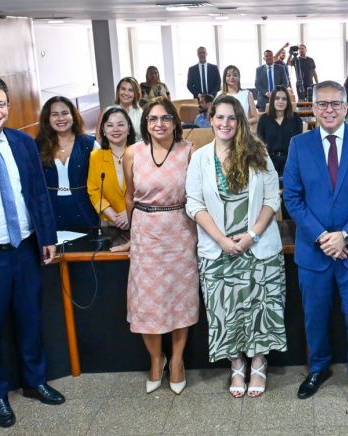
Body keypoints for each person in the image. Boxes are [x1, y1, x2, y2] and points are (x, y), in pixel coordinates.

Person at [283, 81, 348, 413]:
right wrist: (323, 237)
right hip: (314, 252)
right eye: (322, 104)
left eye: (335, 104)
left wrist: (346, 235)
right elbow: (292, 198)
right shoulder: (299, 144)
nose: (329, 110)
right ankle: (317, 368)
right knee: (314, 317)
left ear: (346, 108)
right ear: (313, 108)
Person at [0, 76, 64, 428]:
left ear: (8, 107)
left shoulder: (23, 143)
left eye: (0, 104)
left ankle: (35, 381)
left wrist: (47, 236)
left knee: (30, 321)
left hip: (25, 248)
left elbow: (38, 194)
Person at [186, 95, 286, 398]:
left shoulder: (258, 152)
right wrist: (221, 240)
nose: (225, 123)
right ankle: (237, 364)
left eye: (232, 117)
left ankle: (258, 362)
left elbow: (272, 198)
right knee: (225, 311)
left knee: (260, 307)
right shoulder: (200, 158)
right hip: (218, 249)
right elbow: (194, 204)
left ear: (240, 121)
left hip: (257, 246)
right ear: (210, 120)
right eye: (219, 117)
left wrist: (252, 235)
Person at [111, 97, 199, 395]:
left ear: (175, 122)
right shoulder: (132, 152)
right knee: (147, 302)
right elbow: (129, 196)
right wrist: (132, 237)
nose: (159, 124)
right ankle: (155, 359)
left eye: (165, 118)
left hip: (181, 231)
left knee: (180, 300)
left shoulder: (189, 151)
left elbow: (198, 196)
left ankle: (177, 361)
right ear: (145, 123)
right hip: (146, 233)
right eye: (152, 119)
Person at [36, 96, 98, 228]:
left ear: (73, 117)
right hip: (50, 211)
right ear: (47, 119)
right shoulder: (37, 146)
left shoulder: (89, 144)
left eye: (65, 113)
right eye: (54, 114)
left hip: (85, 210)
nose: (60, 118)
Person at [88, 107, 137, 230]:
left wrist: (130, 211)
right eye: (110, 125)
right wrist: (115, 218)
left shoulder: (140, 153)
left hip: (140, 218)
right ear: (103, 130)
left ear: (129, 128)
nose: (115, 129)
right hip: (110, 223)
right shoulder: (95, 157)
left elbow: (148, 190)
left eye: (120, 124)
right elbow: (94, 191)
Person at [257, 85, 303, 176]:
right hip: (269, 162)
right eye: (277, 98)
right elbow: (260, 145)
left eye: (284, 99)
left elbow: (299, 143)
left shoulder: (295, 118)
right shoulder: (263, 119)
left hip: (291, 161)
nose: (280, 101)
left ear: (288, 101)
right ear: (272, 101)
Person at [96, 77, 143, 143]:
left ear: (135, 94)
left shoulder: (142, 113)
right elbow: (98, 137)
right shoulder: (106, 112)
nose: (126, 93)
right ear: (118, 91)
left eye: (130, 90)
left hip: (137, 148)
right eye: (123, 89)